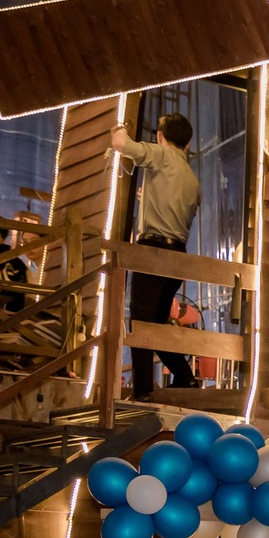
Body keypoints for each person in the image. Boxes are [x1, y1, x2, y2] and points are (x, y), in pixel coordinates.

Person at [110, 112, 200, 399]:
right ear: (188, 144)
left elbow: (120, 144)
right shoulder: (193, 180)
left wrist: (120, 128)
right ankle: (185, 377)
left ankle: (143, 392)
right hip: (178, 256)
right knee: (158, 324)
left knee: (141, 321)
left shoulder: (160, 155)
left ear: (160, 137)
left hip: (153, 252)